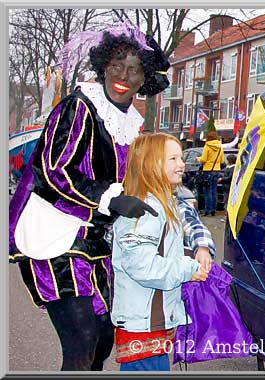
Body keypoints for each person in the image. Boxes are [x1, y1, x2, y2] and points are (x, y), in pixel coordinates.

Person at [8, 22, 215, 371]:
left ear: (144, 79)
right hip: (58, 235)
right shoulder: (79, 108)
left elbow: (152, 180)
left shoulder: (132, 124)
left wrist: (198, 237)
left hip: (98, 243)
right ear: (103, 66)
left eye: (134, 69)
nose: (123, 75)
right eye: (117, 65)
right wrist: (110, 198)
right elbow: (53, 170)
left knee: (104, 337)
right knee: (83, 339)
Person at [112, 133, 209, 371]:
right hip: (142, 328)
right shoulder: (145, 209)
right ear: (151, 165)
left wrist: (193, 254)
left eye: (180, 157)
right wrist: (188, 269)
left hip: (151, 325)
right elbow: (142, 266)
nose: (182, 164)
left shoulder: (164, 203)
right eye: (173, 158)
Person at [197, 131, 224, 216]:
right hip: (217, 170)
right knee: (214, 191)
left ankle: (207, 210)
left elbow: (204, 159)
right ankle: (213, 210)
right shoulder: (220, 147)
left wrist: (198, 159)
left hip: (208, 170)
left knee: (207, 191)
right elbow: (222, 161)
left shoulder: (207, 146)